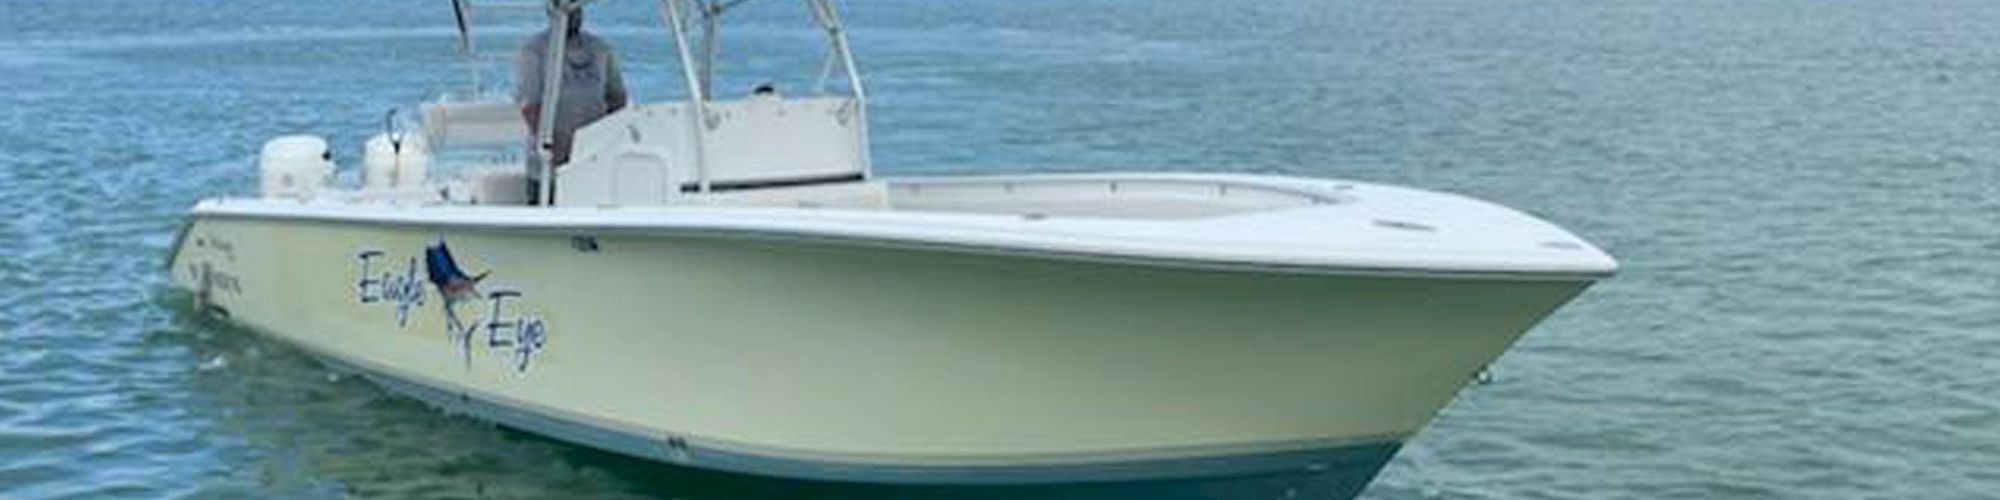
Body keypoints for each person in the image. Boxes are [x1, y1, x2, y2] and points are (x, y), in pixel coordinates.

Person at [515, 10, 627, 204]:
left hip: (594, 159)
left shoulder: (600, 49)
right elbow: (530, 105)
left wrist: (607, 139)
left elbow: (616, 98)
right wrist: (554, 149)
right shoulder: (534, 50)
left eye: (576, 9)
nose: (572, 15)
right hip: (548, 165)